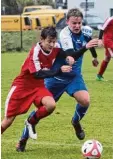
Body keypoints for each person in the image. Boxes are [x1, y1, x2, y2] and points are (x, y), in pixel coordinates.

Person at [15, 8, 99, 152]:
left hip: (74, 77)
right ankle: (23, 139)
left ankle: (76, 121)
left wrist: (94, 56)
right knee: (43, 110)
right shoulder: (64, 35)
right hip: (56, 78)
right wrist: (86, 47)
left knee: (85, 100)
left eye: (79, 23)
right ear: (67, 22)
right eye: (74, 23)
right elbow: (72, 55)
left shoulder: (86, 31)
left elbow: (89, 41)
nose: (77, 26)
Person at [96, 16, 113, 81]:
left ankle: (99, 76)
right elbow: (102, 28)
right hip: (108, 41)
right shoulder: (110, 19)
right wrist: (100, 39)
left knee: (107, 58)